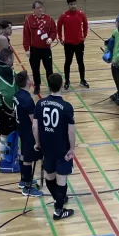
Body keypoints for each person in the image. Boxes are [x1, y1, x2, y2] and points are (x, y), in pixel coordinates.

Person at [33, 73, 76, 220]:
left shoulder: (40, 104)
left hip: (46, 146)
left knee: (49, 176)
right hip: (62, 147)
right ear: (61, 85)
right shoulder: (67, 107)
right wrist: (72, 148)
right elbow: (71, 131)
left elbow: (35, 127)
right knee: (61, 178)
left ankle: (59, 199)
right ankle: (59, 210)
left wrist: (38, 143)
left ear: (48, 86)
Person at [0, 42, 19, 172]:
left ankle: (3, 154)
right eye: (12, 59)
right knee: (7, 133)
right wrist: (12, 110)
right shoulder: (7, 73)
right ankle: (6, 159)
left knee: (1, 131)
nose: (13, 61)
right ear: (8, 59)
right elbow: (8, 94)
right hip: (3, 107)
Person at [14, 70, 43, 198]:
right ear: (27, 82)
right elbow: (33, 121)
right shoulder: (27, 100)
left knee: (23, 154)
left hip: (20, 129)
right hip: (28, 132)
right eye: (29, 77)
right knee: (27, 159)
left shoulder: (16, 95)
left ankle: (24, 180)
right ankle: (27, 187)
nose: (31, 79)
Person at [23, 0, 57, 96]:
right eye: (37, 8)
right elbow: (26, 35)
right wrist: (27, 49)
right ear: (33, 9)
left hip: (46, 49)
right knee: (35, 69)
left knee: (49, 69)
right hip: (34, 50)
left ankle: (51, 86)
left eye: (41, 7)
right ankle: (37, 86)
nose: (40, 10)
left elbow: (54, 31)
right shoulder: (29, 20)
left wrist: (51, 38)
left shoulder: (49, 19)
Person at [57, 0, 89, 91]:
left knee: (80, 62)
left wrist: (84, 35)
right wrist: (60, 38)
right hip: (68, 44)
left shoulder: (81, 14)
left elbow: (86, 24)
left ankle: (82, 80)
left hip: (79, 43)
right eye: (71, 4)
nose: (73, 6)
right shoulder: (64, 16)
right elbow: (58, 27)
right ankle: (67, 81)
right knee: (68, 63)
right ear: (68, 5)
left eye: (74, 4)